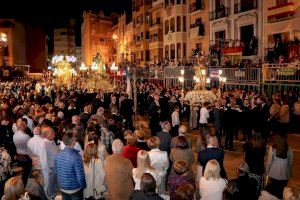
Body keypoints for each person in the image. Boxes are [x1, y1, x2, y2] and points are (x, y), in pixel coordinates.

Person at [54, 131, 86, 200]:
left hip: (62, 187)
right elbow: (80, 176)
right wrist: (83, 186)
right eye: (75, 138)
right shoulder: (77, 156)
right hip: (75, 189)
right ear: (73, 141)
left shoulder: (58, 155)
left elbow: (56, 172)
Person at [266, 134, 293, 199]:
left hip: (273, 175)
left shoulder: (272, 148)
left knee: (272, 195)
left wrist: (266, 172)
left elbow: (269, 162)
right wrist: (290, 176)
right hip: (284, 177)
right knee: (280, 195)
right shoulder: (290, 150)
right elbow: (290, 164)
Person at [13, 119, 32, 186]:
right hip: (26, 157)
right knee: (26, 172)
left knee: (22, 171)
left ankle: (20, 184)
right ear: (22, 126)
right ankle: (24, 184)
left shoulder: (15, 135)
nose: (26, 126)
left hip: (19, 156)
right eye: (25, 125)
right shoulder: (26, 136)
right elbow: (30, 147)